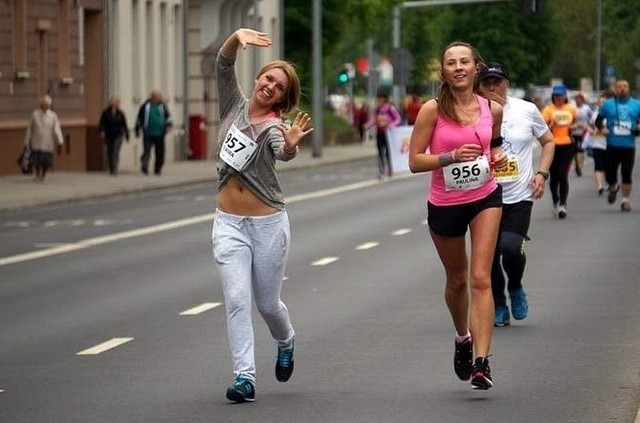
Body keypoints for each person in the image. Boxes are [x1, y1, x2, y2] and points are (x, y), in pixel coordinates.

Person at [212, 28, 313, 403]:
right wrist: (236, 38)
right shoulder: (232, 106)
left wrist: (289, 147)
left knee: (267, 304)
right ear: (258, 79)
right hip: (227, 223)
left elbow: (282, 152)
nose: (271, 86)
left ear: (284, 99)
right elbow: (222, 64)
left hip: (267, 224)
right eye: (268, 78)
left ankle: (286, 340)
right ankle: (245, 377)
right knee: (237, 300)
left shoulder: (275, 128)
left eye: (280, 86)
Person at [408, 41, 507, 390]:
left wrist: (495, 158)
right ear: (444, 72)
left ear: (476, 67)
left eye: (465, 61)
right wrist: (449, 157)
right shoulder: (431, 111)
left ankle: (482, 362)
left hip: (485, 195)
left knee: (481, 278)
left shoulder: (491, 108)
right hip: (446, 202)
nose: (459, 67)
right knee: (457, 280)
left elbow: (493, 144)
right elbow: (414, 161)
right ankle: (462, 336)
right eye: (452, 63)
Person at [478, 62, 555, 327]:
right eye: (486, 82)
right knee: (487, 256)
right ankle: (499, 303)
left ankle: (516, 287)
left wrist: (541, 174)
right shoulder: (471, 113)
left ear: (506, 84)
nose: (491, 87)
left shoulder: (526, 109)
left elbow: (548, 141)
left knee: (510, 248)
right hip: (484, 195)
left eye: (496, 82)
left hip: (519, 193)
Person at [595, 79, 640, 212]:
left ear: (629, 88)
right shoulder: (608, 105)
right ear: (615, 89)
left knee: (627, 173)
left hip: (629, 145)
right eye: (619, 87)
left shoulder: (636, 104)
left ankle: (625, 200)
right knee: (610, 173)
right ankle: (613, 186)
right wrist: (602, 129)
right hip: (612, 144)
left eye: (625, 86)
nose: (622, 89)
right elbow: (598, 120)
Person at [541, 85, 577, 219]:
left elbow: (575, 124)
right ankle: (556, 200)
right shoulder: (548, 110)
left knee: (563, 175)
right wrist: (552, 124)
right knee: (554, 176)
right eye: (556, 96)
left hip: (567, 145)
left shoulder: (571, 109)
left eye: (561, 96)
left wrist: (572, 127)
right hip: (552, 145)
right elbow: (543, 128)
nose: (559, 98)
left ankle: (563, 204)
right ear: (553, 97)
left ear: (565, 96)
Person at [24, 95, 64, 182]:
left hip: (48, 143)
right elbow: (30, 128)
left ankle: (44, 175)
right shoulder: (35, 114)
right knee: (36, 160)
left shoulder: (53, 116)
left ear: (49, 105)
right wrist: (27, 141)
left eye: (46, 104)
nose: (44, 106)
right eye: (43, 104)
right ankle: (38, 174)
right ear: (40, 105)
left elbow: (57, 128)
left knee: (46, 161)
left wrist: (60, 141)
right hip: (36, 142)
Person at [134, 90, 173, 175]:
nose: (161, 98)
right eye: (159, 97)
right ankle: (144, 166)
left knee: (160, 153)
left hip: (160, 133)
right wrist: (137, 129)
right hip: (148, 133)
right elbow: (139, 118)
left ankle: (157, 169)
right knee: (146, 151)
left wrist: (169, 125)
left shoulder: (163, 106)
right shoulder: (145, 106)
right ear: (153, 97)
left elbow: (168, 117)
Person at [366, 93, 402, 179]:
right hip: (380, 133)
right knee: (380, 152)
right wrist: (368, 125)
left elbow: (398, 119)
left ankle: (390, 168)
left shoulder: (390, 108)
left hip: (388, 133)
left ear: (384, 99)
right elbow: (375, 119)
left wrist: (391, 125)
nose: (378, 101)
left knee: (388, 152)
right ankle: (381, 171)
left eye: (380, 99)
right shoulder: (378, 109)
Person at [584, 93, 611, 196]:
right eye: (601, 102)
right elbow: (589, 126)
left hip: (610, 144)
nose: (603, 104)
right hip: (597, 144)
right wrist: (592, 131)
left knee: (608, 166)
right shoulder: (595, 114)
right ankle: (600, 186)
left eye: (605, 102)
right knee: (598, 165)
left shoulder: (612, 114)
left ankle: (608, 183)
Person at [99, 96, 130, 175]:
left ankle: (115, 167)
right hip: (109, 134)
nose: (115, 105)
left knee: (115, 151)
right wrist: (102, 131)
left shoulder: (120, 113)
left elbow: (124, 124)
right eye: (113, 103)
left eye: (116, 103)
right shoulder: (106, 113)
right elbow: (102, 123)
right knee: (110, 151)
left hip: (118, 134)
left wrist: (127, 134)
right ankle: (111, 167)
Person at [571, 92, 593, 177]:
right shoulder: (572, 108)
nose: (578, 100)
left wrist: (588, 126)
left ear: (582, 99)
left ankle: (580, 167)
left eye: (580, 98)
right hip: (574, 131)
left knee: (581, 149)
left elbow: (592, 118)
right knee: (575, 150)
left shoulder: (587, 108)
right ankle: (577, 165)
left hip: (584, 131)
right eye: (576, 98)